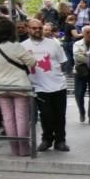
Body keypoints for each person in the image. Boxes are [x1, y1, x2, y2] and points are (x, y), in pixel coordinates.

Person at [0, 19, 36, 156]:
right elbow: (32, 62)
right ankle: (24, 148)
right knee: (21, 117)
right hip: (19, 86)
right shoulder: (16, 46)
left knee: (7, 118)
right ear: (12, 32)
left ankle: (14, 148)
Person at [23, 19, 69, 152]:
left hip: (58, 86)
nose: (37, 30)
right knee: (46, 115)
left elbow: (62, 62)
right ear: (28, 29)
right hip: (39, 87)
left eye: (39, 28)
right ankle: (47, 139)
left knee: (60, 115)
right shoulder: (23, 46)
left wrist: (54, 75)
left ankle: (60, 141)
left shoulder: (54, 44)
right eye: (33, 28)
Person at [72, 25, 90, 124]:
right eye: (87, 32)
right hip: (80, 72)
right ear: (83, 34)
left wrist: (85, 54)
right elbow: (77, 57)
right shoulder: (77, 44)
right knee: (79, 94)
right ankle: (82, 112)